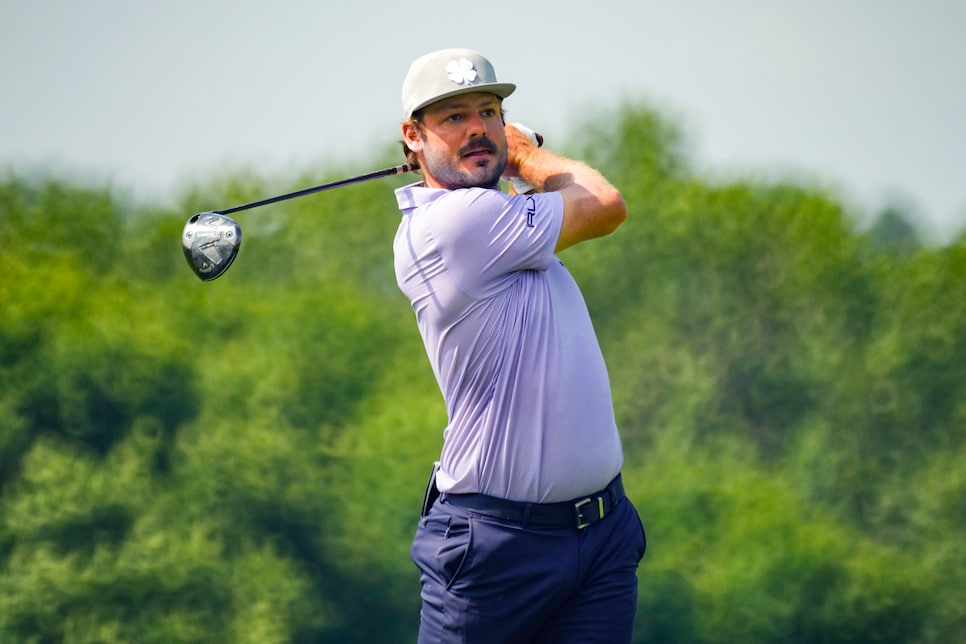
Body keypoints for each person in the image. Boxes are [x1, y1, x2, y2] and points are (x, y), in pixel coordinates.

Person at [393, 48, 646, 643]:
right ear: (413, 136)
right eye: (453, 118)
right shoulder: (453, 225)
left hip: (602, 535)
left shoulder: (502, 220)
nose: (478, 128)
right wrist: (525, 154)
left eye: (488, 111)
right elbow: (605, 204)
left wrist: (502, 164)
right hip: (494, 549)